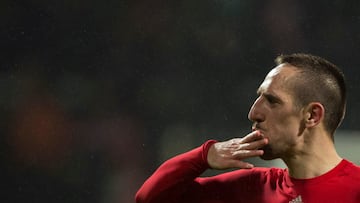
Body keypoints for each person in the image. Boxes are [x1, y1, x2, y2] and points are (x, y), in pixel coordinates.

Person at [135, 53, 360, 203]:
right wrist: (204, 155)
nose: (254, 113)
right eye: (258, 98)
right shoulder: (253, 189)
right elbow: (151, 198)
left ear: (312, 115)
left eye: (272, 101)